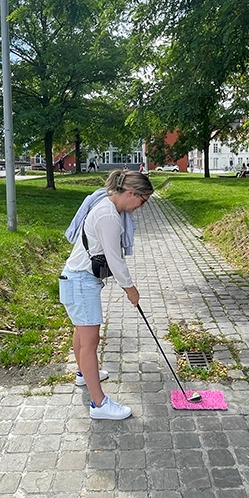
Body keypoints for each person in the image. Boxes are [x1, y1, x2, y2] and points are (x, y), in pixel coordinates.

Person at [59, 170, 153, 420]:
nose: (140, 207)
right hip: (80, 283)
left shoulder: (106, 205)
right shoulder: (108, 216)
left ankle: (83, 374)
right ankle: (99, 405)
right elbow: (115, 259)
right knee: (91, 342)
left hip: (76, 279)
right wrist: (131, 290)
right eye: (142, 201)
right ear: (131, 193)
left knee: (82, 333)